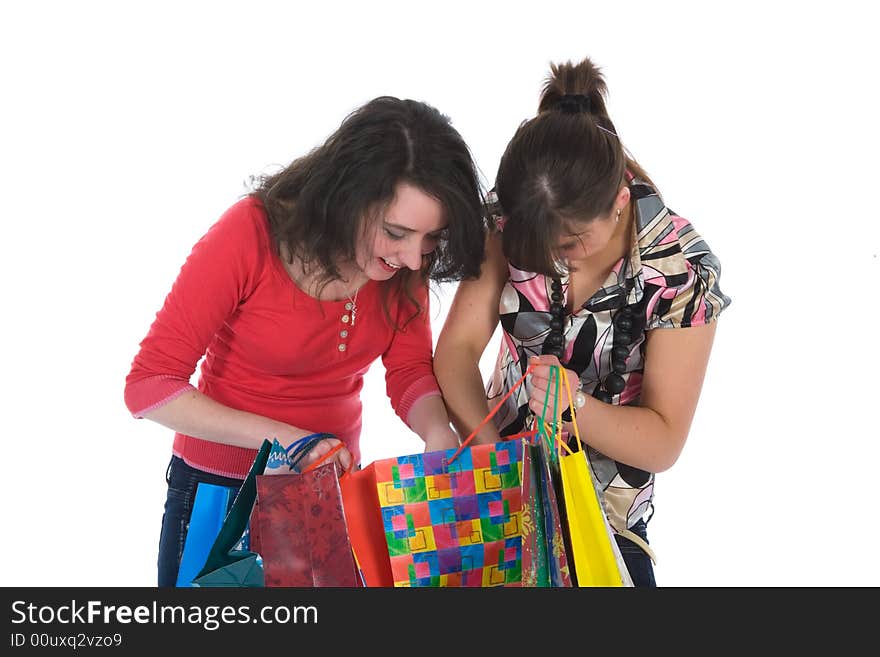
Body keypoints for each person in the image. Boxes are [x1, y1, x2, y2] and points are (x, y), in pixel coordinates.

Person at [124, 96, 487, 587]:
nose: (414, 259)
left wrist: (436, 430)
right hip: (221, 492)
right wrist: (289, 442)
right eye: (396, 233)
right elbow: (149, 386)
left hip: (329, 496)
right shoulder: (250, 234)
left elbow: (407, 372)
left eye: (429, 241)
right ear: (348, 197)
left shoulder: (402, 267)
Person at [433, 57, 732, 587]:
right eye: (539, 243)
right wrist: (493, 462)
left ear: (620, 201)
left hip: (608, 522)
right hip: (498, 502)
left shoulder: (680, 268)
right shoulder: (513, 221)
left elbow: (663, 441)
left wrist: (577, 409)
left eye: (571, 243)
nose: (554, 256)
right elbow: (455, 352)